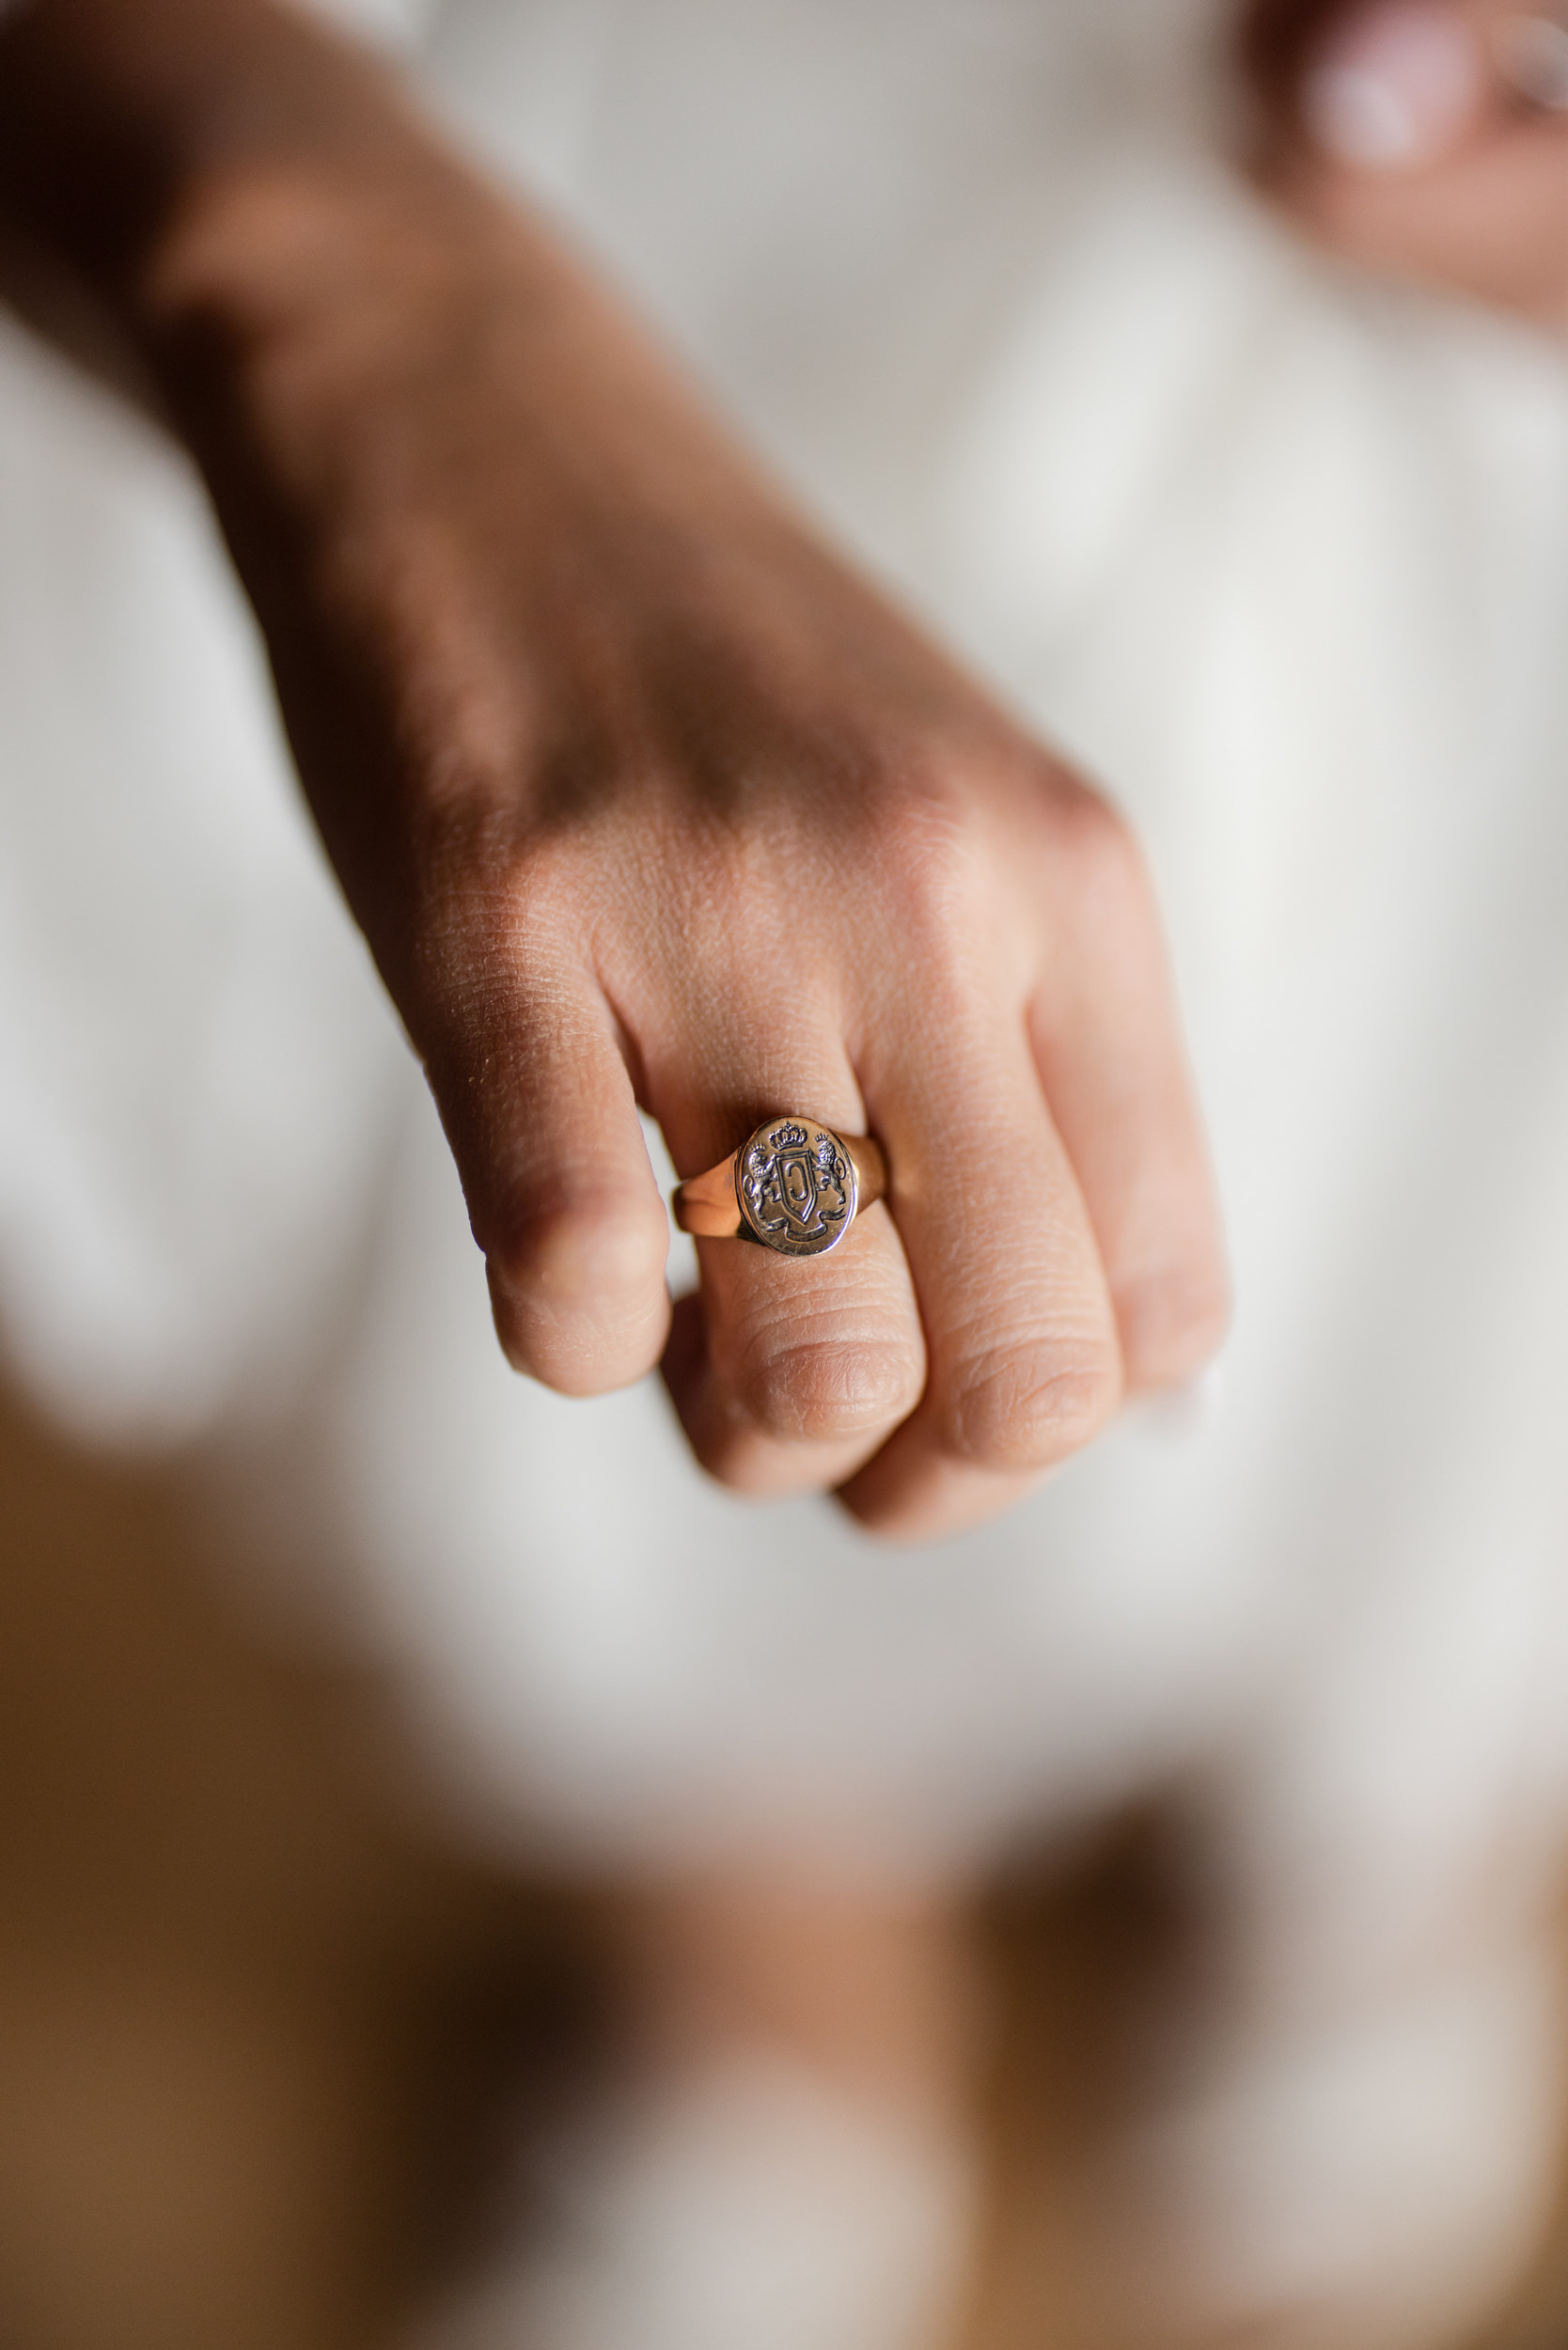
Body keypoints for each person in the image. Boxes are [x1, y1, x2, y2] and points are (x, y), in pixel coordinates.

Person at [0, 3, 1565, 2345]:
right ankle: (777, 2007)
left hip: (1474, 436)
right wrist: (343, 277)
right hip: (584, 303)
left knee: (1457, 1298)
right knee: (657, 1364)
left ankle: (1381, 1873)